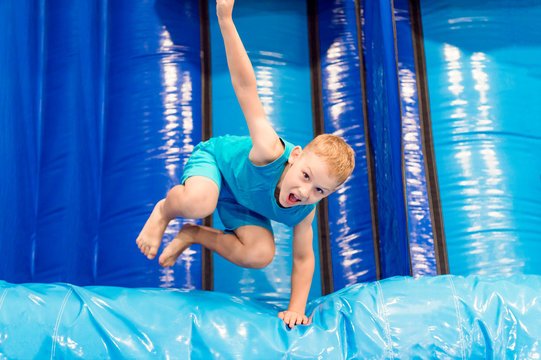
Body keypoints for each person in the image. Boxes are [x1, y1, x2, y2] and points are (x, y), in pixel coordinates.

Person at [136, 0, 355, 329]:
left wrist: (297, 308)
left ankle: (193, 234)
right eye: (306, 176)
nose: (305, 191)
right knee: (200, 201)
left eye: (320, 190)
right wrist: (225, 19)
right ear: (295, 156)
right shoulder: (270, 150)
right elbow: (245, 87)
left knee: (260, 254)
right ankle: (164, 212)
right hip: (217, 167)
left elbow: (303, 258)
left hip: (243, 202)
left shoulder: (304, 210)